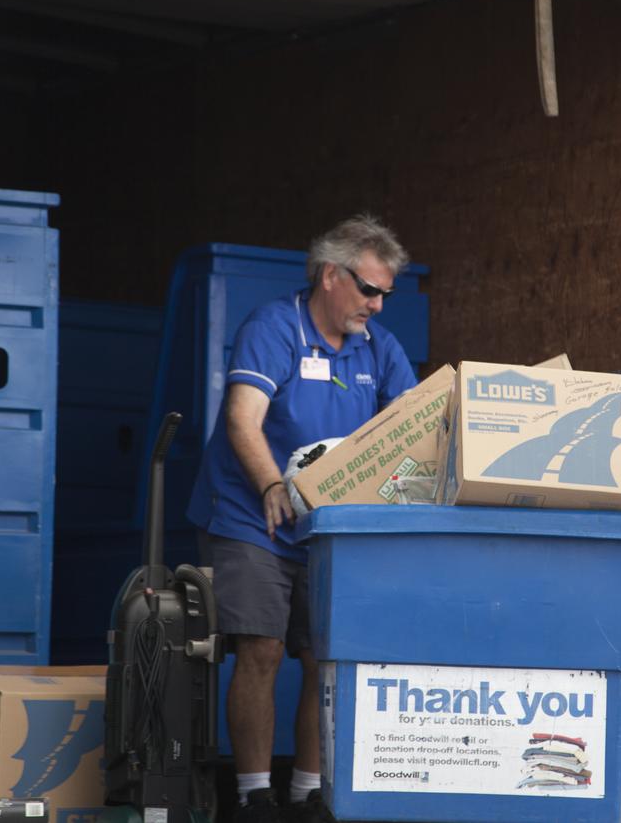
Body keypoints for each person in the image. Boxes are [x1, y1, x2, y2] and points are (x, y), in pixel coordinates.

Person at [186, 214, 418, 823]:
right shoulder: (275, 326)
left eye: (385, 294)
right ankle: (253, 793)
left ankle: (307, 792)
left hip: (331, 529)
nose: (376, 304)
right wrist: (269, 483)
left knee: (326, 657)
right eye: (368, 289)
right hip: (250, 516)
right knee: (260, 648)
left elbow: (414, 432)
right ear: (328, 276)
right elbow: (242, 416)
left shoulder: (380, 349)